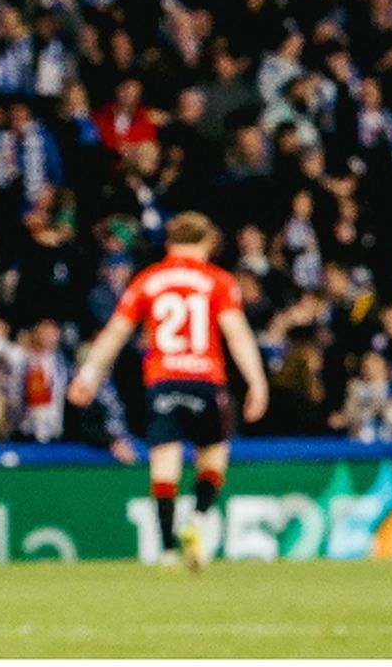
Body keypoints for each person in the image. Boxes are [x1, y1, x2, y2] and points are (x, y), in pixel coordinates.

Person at [67, 212, 268, 570]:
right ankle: (199, 521)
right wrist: (256, 380)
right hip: (206, 378)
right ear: (206, 241)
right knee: (214, 454)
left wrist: (89, 375)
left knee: (165, 460)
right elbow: (236, 333)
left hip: (162, 379)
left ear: (171, 242)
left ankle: (166, 549)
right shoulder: (217, 281)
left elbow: (115, 333)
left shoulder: (149, 280)